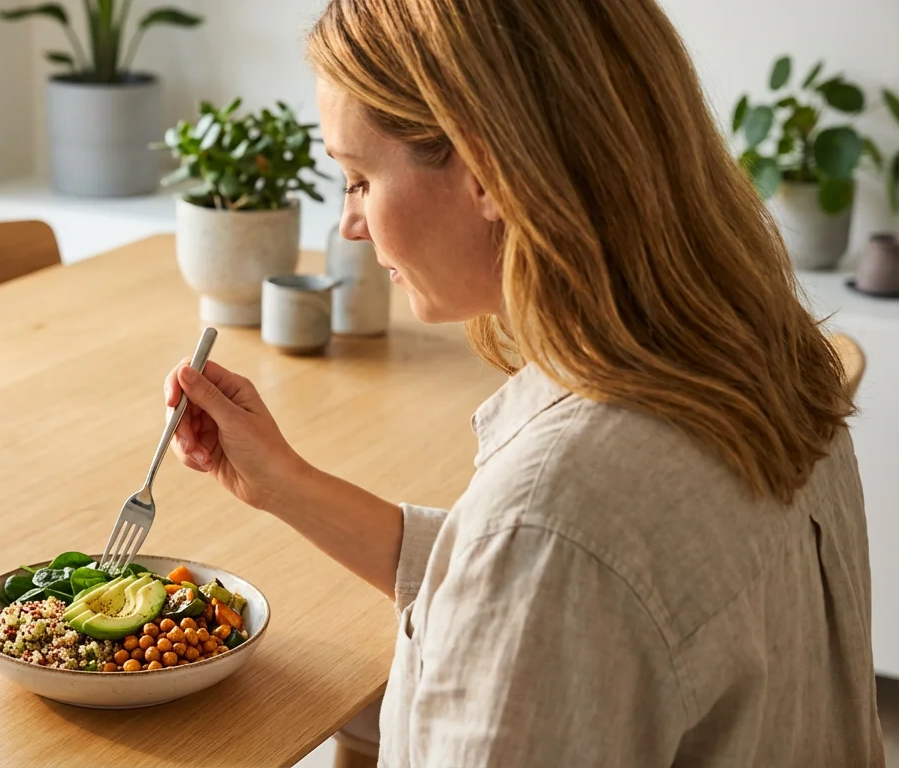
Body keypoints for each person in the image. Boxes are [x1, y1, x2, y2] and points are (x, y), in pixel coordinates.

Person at [162, 0, 885, 765]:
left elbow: (542, 566)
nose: (350, 223)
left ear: (486, 173)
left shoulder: (557, 522)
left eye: (358, 178)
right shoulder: (758, 355)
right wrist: (286, 483)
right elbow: (558, 590)